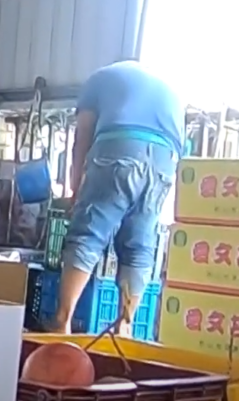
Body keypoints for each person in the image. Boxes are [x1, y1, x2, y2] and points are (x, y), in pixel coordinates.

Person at [53, 60, 182, 336]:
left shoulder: (98, 79)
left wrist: (75, 190)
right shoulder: (168, 90)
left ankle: (62, 323)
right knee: (139, 245)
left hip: (119, 147)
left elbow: (82, 139)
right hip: (164, 160)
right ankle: (124, 328)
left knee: (88, 235)